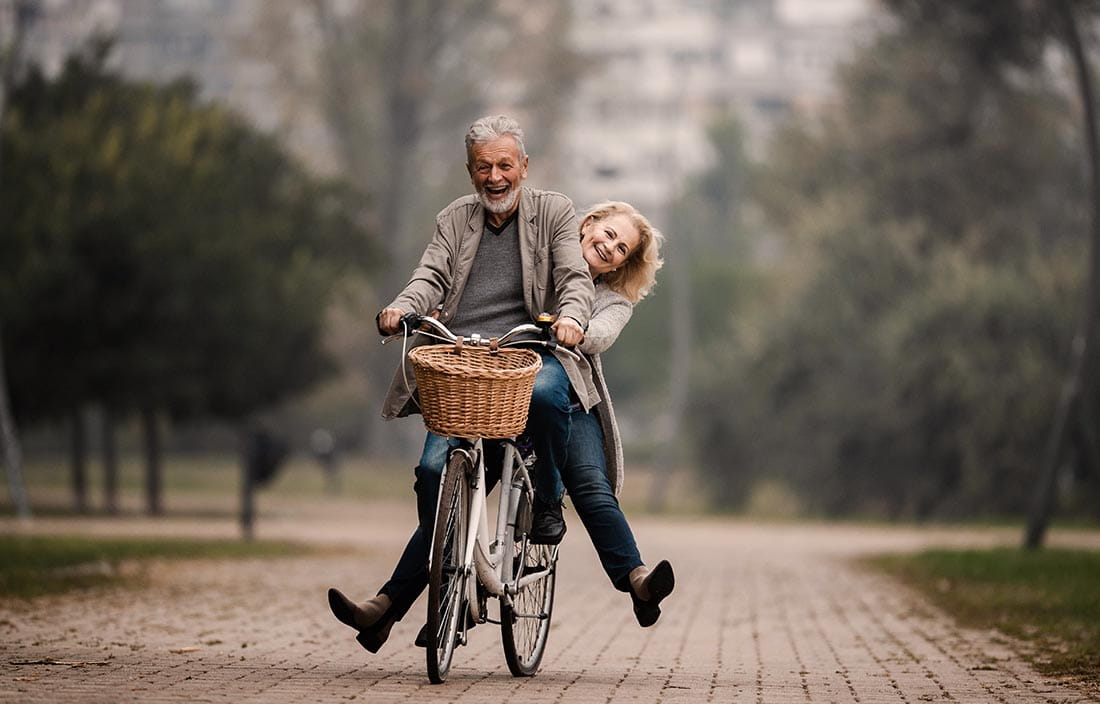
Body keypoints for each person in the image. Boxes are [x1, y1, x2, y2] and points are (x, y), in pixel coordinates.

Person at [327, 115, 597, 653]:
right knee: (432, 472)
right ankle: (434, 588)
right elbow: (431, 276)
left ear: (524, 166)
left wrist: (570, 318)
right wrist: (403, 306)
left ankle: (546, 502)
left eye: (504, 165)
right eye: (483, 167)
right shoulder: (454, 218)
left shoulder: (555, 212)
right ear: (469, 171)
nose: (494, 177)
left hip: (527, 356)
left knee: (547, 394)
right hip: (462, 362)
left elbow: (573, 278)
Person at [557, 200, 674, 627]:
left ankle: (639, 580)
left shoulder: (613, 302)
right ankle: (388, 606)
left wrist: (577, 330)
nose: (609, 247)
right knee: (453, 488)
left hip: (574, 402)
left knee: (593, 485)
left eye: (621, 248)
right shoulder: (545, 265)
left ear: (621, 264)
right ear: (588, 225)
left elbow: (600, 336)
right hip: (509, 393)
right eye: (608, 234)